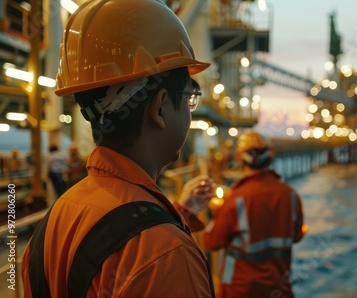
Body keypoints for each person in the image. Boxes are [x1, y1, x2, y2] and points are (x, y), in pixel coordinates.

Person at [21, 0, 215, 297]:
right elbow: (138, 250)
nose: (190, 112)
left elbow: (107, 243)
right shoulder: (167, 255)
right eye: (189, 98)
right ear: (161, 106)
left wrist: (181, 214)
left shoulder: (59, 216)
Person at [204, 130, 306, 298]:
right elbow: (296, 236)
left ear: (239, 157)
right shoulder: (291, 195)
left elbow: (212, 242)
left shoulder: (236, 200)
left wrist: (216, 212)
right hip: (279, 289)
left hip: (241, 291)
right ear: (271, 154)